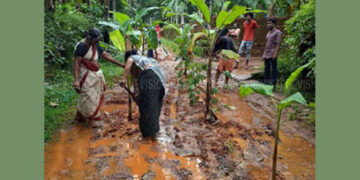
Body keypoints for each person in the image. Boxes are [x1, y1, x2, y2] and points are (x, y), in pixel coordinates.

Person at [73, 28, 124, 127]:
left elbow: (106, 55)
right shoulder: (82, 46)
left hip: (94, 74)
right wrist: (76, 81)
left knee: (91, 95)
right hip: (85, 75)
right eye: (96, 40)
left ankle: (80, 116)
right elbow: (76, 63)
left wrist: (120, 64)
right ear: (90, 38)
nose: (98, 41)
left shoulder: (95, 45)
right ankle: (93, 119)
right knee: (88, 96)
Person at [120, 50, 166, 139]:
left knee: (147, 107)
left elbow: (130, 60)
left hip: (149, 77)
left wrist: (123, 79)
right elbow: (138, 88)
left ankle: (148, 135)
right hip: (160, 80)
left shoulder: (133, 58)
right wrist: (137, 97)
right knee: (153, 105)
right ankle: (153, 132)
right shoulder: (145, 61)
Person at [263, 18, 282, 86]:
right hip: (267, 53)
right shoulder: (268, 33)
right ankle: (266, 83)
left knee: (274, 69)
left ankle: (273, 84)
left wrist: (275, 53)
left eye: (270, 23)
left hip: (273, 53)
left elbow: (278, 44)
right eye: (267, 23)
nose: (268, 25)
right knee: (266, 69)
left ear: (274, 24)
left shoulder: (278, 32)